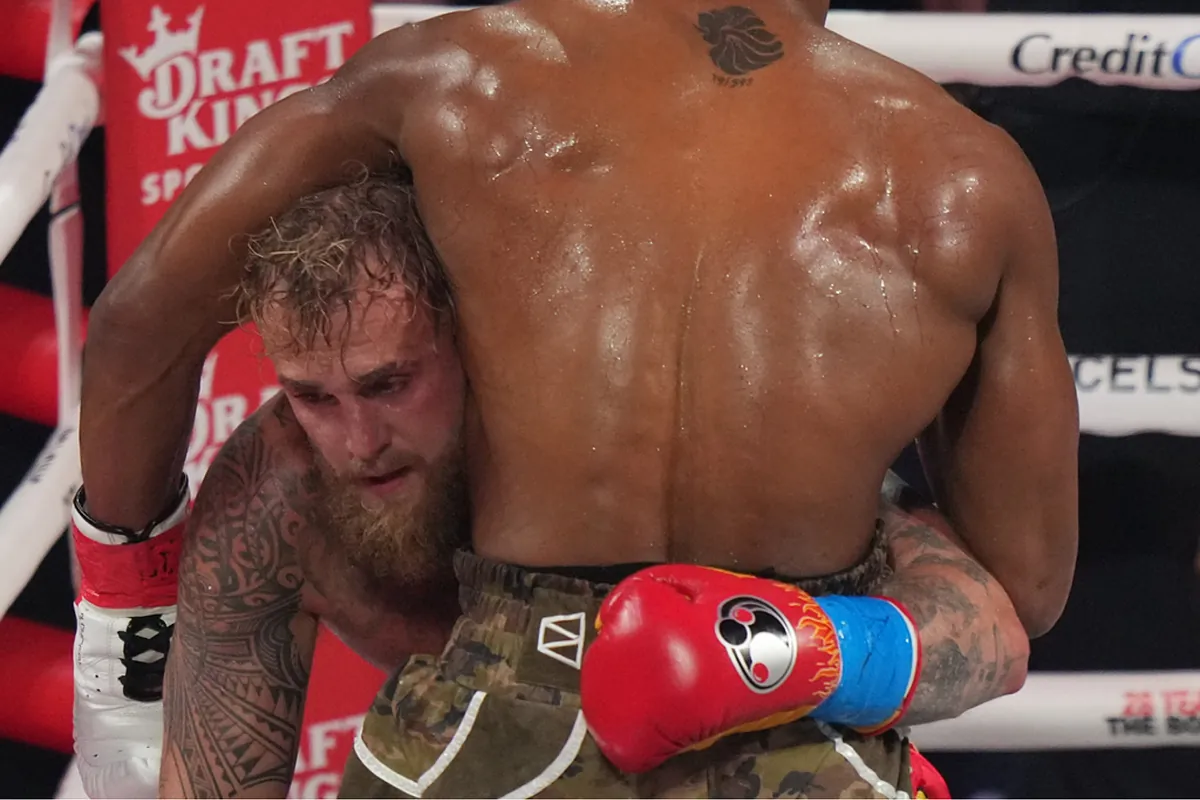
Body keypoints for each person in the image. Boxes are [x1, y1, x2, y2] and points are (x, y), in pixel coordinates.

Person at [76, 0, 1078, 792]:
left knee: (270, 480)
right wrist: (815, 593)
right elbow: (1026, 590)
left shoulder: (456, 75)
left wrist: (123, 627)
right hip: (797, 725)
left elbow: (133, 328)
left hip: (490, 730)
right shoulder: (966, 180)